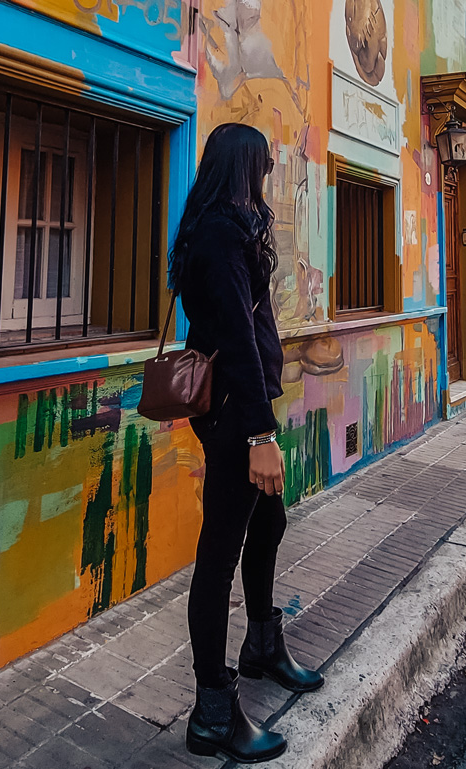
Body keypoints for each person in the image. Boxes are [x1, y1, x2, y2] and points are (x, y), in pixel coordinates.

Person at [168, 123, 324, 764]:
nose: (268, 174)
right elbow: (233, 335)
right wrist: (260, 434)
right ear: (244, 167)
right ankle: (211, 711)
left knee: (269, 523)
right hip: (237, 416)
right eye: (262, 164)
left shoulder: (230, 229)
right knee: (219, 552)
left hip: (247, 407)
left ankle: (261, 644)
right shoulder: (218, 237)